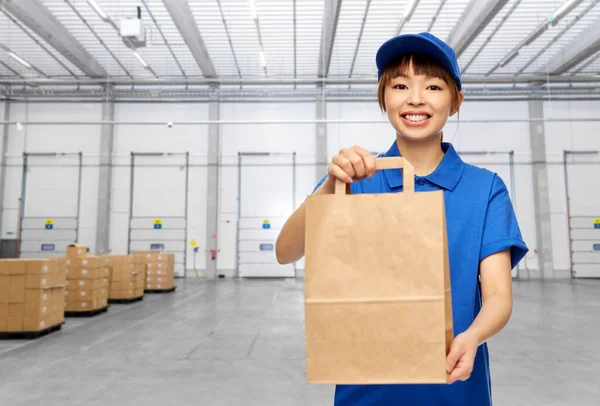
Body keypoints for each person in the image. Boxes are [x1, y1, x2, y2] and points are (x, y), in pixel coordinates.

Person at [275, 32, 528, 405]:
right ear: (384, 98)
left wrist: (472, 336)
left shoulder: (484, 189)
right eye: (399, 85)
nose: (415, 98)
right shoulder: (355, 181)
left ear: (455, 102)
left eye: (434, 86)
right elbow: (286, 251)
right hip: (365, 389)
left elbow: (497, 296)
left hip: (453, 388)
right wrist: (331, 184)